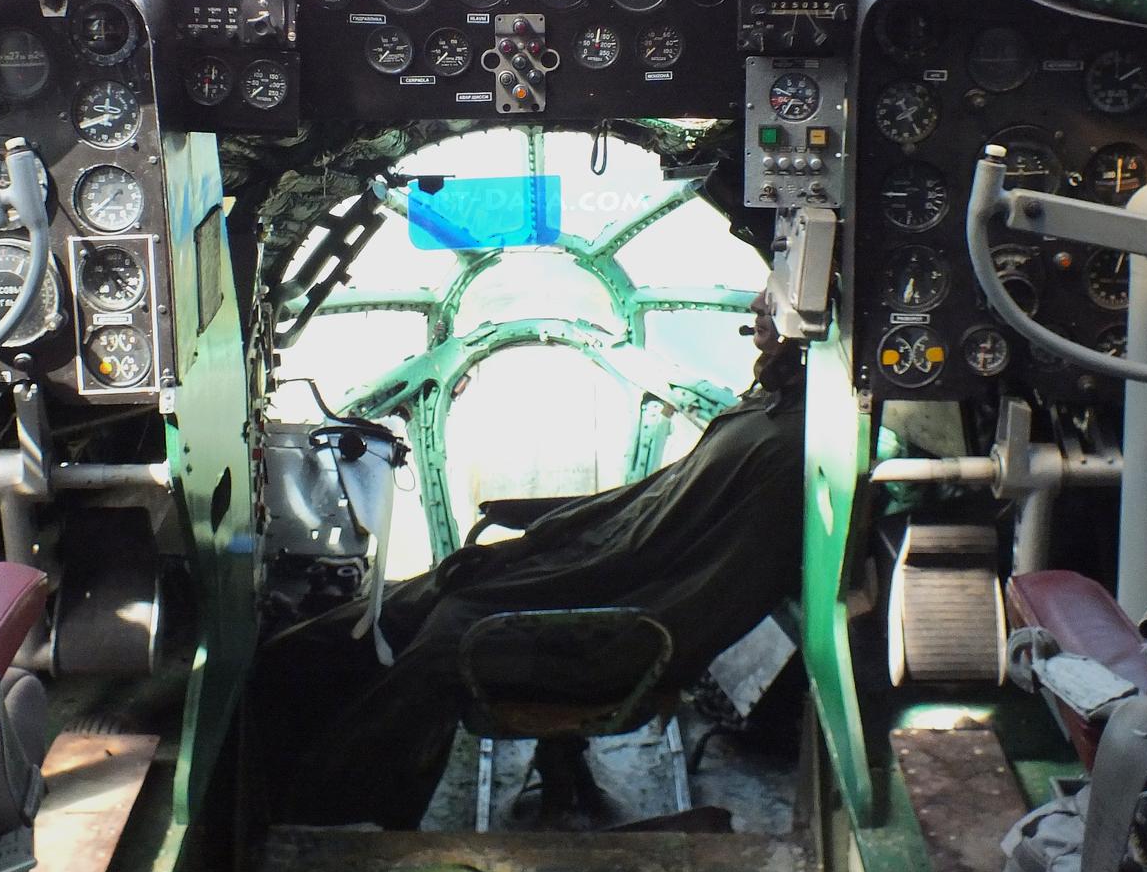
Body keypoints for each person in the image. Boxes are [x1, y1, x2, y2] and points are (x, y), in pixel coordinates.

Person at [250, 293, 808, 828]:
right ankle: (270, 693)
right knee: (404, 606)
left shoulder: (780, 450)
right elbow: (641, 513)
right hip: (597, 581)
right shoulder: (765, 415)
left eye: (774, 297)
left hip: (622, 631)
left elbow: (666, 572)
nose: (757, 306)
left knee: (441, 649)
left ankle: (332, 814)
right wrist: (539, 539)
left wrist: (531, 562)